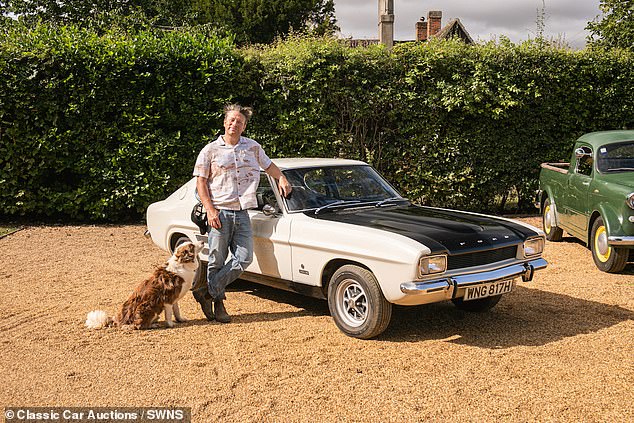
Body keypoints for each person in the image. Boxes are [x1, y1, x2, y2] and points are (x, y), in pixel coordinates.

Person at [191, 104, 291, 323]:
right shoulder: (210, 150)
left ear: (244, 127)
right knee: (217, 260)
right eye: (231, 120)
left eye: (240, 122)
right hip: (219, 212)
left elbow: (269, 166)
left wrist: (281, 177)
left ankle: (206, 292)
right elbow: (201, 182)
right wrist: (210, 210)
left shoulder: (253, 148)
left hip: (243, 212)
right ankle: (218, 304)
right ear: (225, 123)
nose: (235, 124)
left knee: (244, 258)